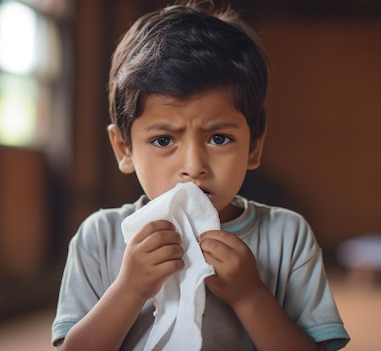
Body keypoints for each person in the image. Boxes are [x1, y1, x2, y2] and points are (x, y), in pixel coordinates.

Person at [52, 1, 350, 350]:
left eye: (219, 138)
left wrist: (250, 295)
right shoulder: (100, 238)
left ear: (254, 146)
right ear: (124, 149)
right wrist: (130, 289)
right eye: (163, 140)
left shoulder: (287, 236)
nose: (194, 166)